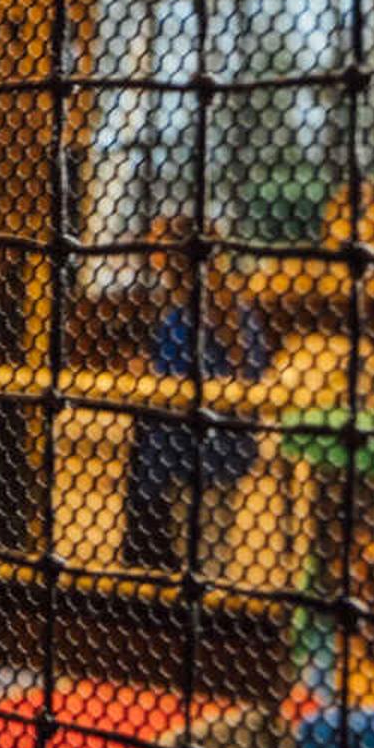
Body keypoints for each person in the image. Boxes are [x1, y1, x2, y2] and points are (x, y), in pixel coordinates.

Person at [121, 221, 274, 575]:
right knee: (208, 545)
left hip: (190, 448)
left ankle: (207, 619)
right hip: (217, 446)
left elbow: (183, 378)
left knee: (199, 551)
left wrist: (152, 375)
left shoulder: (196, 312)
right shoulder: (226, 307)